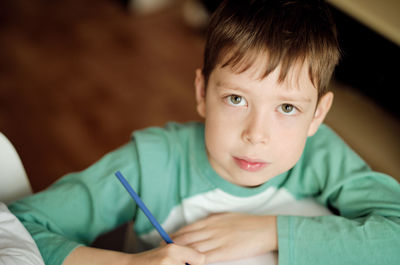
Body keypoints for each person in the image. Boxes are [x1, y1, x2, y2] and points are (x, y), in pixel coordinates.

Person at [9, 0, 400, 264]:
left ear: (317, 115)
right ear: (201, 92)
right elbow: (19, 225)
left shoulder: (322, 156)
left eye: (286, 108)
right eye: (236, 99)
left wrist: (271, 231)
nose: (256, 134)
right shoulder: (153, 163)